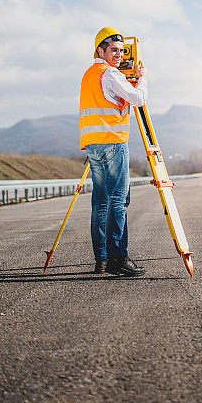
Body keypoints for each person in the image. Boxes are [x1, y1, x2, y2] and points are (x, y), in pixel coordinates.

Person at [79, 27, 148, 276]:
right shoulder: (110, 74)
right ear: (100, 50)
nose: (119, 55)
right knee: (118, 200)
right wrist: (143, 78)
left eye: (122, 50)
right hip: (113, 144)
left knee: (100, 203)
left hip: (93, 146)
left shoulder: (89, 74)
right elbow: (138, 98)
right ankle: (119, 257)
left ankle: (103, 260)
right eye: (114, 50)